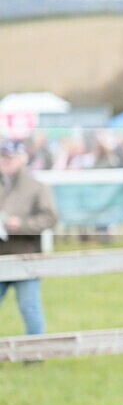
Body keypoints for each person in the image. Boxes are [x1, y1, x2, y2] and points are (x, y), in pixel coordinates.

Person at [0, 139, 58, 338]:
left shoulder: (35, 187)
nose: (5, 162)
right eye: (2, 157)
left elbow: (50, 218)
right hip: (1, 257)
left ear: (21, 158)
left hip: (26, 256)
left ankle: (34, 352)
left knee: (29, 307)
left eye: (10, 158)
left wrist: (22, 225)